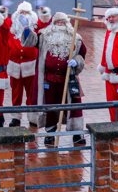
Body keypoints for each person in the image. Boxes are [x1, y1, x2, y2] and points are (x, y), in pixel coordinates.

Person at [36, 11, 86, 146]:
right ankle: (50, 132)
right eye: (58, 22)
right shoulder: (44, 37)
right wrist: (26, 29)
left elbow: (82, 54)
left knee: (74, 106)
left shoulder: (76, 38)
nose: (60, 25)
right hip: (50, 79)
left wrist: (76, 61)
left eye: (63, 22)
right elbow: (30, 42)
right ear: (53, 24)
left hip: (68, 79)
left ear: (67, 24)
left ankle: (77, 133)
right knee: (50, 106)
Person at [6, 1, 41, 127]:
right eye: (21, 12)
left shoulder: (35, 27)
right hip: (15, 64)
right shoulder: (11, 28)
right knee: (16, 93)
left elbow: (45, 22)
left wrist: (43, 10)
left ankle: (33, 117)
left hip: (30, 65)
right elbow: (1, 22)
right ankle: (16, 117)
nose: (24, 15)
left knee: (31, 92)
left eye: (26, 12)